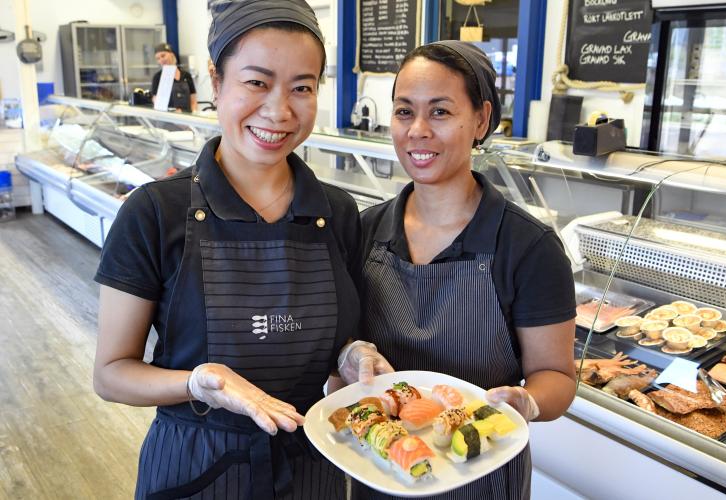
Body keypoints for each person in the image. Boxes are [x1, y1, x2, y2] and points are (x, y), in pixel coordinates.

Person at [93, 1, 360, 498]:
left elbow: (333, 347)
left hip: (313, 466)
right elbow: (111, 375)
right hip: (195, 467)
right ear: (216, 82)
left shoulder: (338, 212)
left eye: (302, 87)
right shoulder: (154, 212)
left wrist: (351, 356)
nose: (280, 110)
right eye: (256, 82)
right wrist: (196, 383)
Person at [348, 41, 578, 499]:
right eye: (403, 111)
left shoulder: (528, 247)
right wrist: (348, 356)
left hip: (480, 474)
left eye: (439, 112)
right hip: (383, 470)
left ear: (480, 120)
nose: (417, 130)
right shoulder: (364, 230)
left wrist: (527, 403)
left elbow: (557, 375)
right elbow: (345, 351)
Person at [150, 42, 198, 112]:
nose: (161, 60)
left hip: (187, 119)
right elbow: (157, 103)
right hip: (168, 120)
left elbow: (193, 101)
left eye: (163, 56)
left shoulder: (186, 75)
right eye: (158, 58)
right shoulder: (157, 77)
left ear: (172, 55)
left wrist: (193, 116)